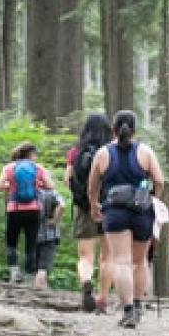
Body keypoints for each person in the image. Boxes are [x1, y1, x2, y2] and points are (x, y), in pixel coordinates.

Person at [89, 110, 166, 329]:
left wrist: (95, 204)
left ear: (113, 129)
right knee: (140, 261)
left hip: (114, 211)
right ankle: (139, 304)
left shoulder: (103, 154)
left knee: (120, 261)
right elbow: (159, 180)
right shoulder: (145, 152)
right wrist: (152, 199)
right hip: (141, 210)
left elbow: (92, 185)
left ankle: (129, 309)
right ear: (135, 130)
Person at [65, 114, 112, 311]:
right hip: (109, 207)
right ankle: (102, 299)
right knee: (107, 257)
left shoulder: (76, 152)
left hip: (84, 208)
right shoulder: (111, 150)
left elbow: (68, 179)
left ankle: (86, 281)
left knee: (85, 256)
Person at [0, 141, 56, 284]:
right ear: (31, 154)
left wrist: (9, 185)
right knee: (31, 244)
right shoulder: (38, 168)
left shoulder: (9, 168)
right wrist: (39, 184)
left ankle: (14, 272)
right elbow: (51, 186)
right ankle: (28, 276)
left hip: (14, 209)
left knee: (11, 242)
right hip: (33, 210)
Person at [29, 188, 65, 289]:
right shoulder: (52, 193)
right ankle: (39, 291)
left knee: (36, 266)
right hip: (49, 234)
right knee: (43, 267)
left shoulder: (30, 192)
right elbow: (62, 205)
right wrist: (54, 220)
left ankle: (41, 288)